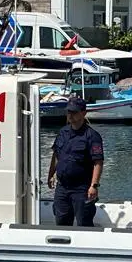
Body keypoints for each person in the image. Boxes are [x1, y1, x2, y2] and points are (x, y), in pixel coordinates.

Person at [48, 95, 104, 227]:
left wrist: (94, 186)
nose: (70, 115)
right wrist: (50, 174)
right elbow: (56, 155)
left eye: (74, 112)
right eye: (69, 111)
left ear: (83, 113)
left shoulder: (92, 136)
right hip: (62, 187)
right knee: (61, 222)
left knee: (84, 223)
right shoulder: (63, 132)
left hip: (82, 189)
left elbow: (98, 162)